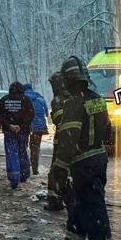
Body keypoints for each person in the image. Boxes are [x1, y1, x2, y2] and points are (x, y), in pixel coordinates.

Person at [48, 56, 113, 240]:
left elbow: (68, 138)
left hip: (82, 164)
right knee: (78, 209)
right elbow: (109, 131)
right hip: (98, 159)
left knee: (93, 210)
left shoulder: (74, 103)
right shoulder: (98, 99)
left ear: (68, 79)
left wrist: (59, 168)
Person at [0, 82, 35, 189]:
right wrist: (21, 126)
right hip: (23, 132)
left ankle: (14, 179)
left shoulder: (4, 100)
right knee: (22, 152)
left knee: (12, 154)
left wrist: (9, 125)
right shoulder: (26, 100)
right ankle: (23, 175)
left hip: (9, 132)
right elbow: (31, 114)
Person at [45, 72, 71, 211]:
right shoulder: (75, 97)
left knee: (56, 171)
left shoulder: (58, 100)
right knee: (71, 171)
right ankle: (71, 198)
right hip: (76, 142)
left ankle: (55, 200)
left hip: (61, 142)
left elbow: (58, 119)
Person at [23, 83, 49, 175]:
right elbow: (47, 113)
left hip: (27, 126)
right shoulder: (39, 96)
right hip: (39, 126)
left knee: (23, 146)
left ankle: (24, 168)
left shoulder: (23, 97)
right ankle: (35, 169)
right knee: (35, 148)